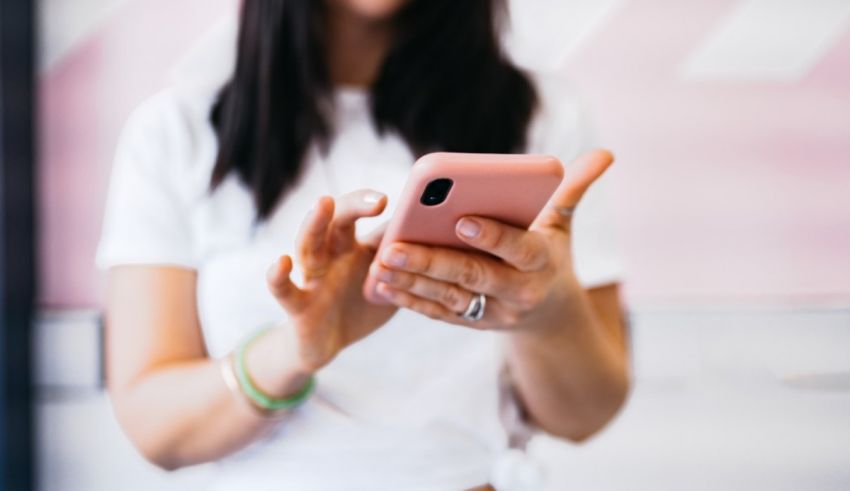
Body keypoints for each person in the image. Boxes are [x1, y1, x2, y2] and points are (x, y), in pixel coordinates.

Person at [97, 0, 630, 489]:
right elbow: (157, 429)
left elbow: (585, 417)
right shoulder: (173, 133)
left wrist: (546, 313)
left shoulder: (544, 115)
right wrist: (295, 350)